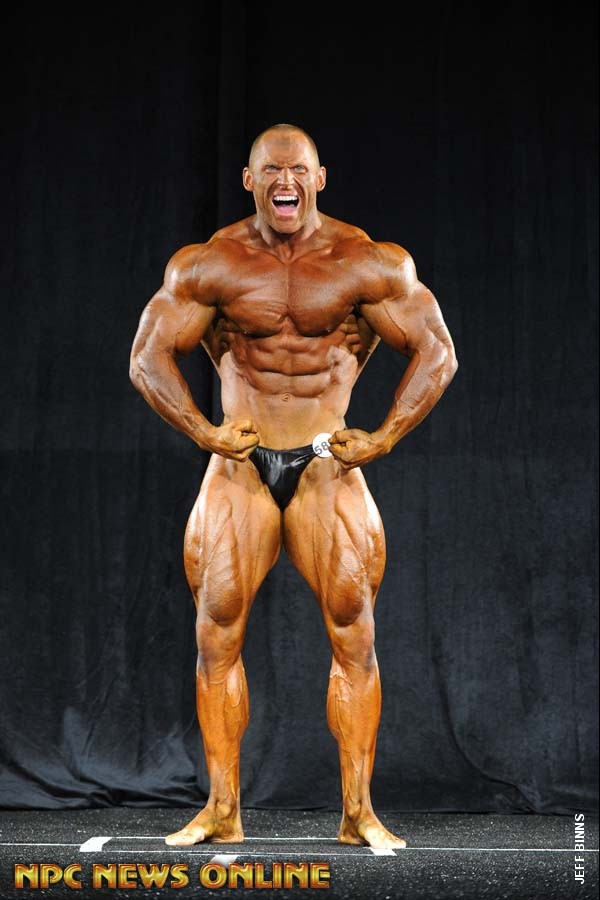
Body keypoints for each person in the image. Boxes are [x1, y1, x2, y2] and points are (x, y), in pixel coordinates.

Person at [129, 123, 458, 849]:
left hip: (326, 465)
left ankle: (358, 813)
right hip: (238, 465)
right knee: (215, 634)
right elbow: (147, 357)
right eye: (272, 171)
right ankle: (222, 809)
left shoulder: (366, 262)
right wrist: (204, 432)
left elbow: (438, 351)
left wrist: (384, 437)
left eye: (299, 169)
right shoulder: (210, 264)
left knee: (354, 634)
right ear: (251, 181)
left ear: (319, 178)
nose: (286, 180)